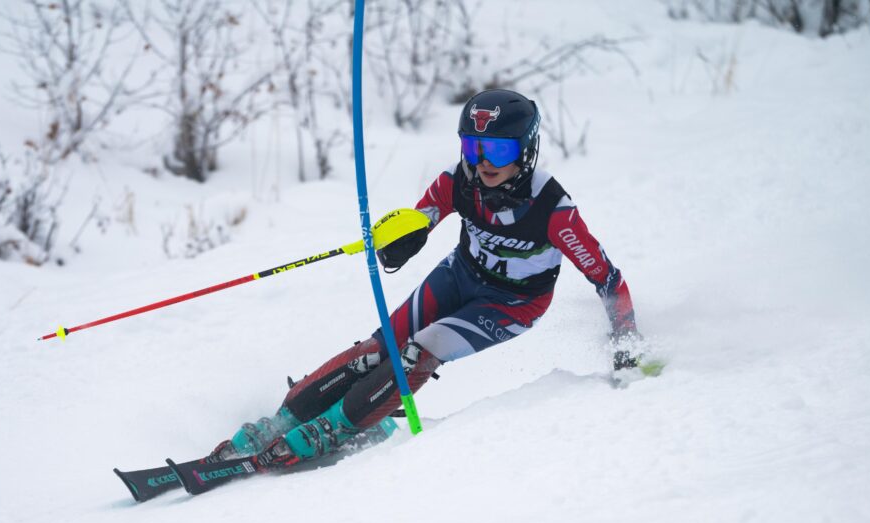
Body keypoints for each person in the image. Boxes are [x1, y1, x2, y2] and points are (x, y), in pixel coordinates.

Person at [209, 89, 643, 471]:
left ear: (525, 151)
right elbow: (421, 219)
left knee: (422, 350)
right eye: (473, 149)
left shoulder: (554, 211)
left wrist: (626, 339)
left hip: (511, 305)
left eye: (498, 151)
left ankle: (336, 427)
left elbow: (607, 278)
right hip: (459, 275)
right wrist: (399, 238)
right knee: (378, 350)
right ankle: (284, 420)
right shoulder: (458, 181)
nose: (484, 163)